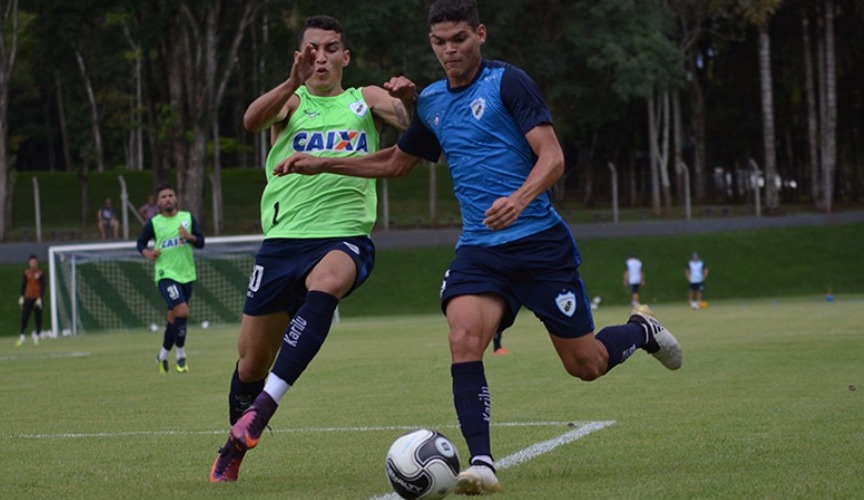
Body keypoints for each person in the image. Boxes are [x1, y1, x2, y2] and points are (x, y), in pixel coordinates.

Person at [273, 1, 683, 494]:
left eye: (460, 39)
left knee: (586, 365)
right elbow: (396, 163)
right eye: (440, 41)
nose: (450, 50)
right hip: (480, 250)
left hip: (538, 245)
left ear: (480, 35)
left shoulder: (509, 83)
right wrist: (325, 163)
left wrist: (519, 198)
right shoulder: (431, 102)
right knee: (463, 336)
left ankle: (640, 331)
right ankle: (482, 461)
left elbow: (552, 157)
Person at [208, 15, 415, 483]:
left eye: (331, 48)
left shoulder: (362, 100)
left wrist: (409, 99)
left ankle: (261, 412)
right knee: (251, 360)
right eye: (311, 49)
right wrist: (289, 81)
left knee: (329, 280)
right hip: (282, 244)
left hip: (343, 235)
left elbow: (409, 124)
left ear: (347, 57)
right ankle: (236, 439)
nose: (321, 57)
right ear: (300, 56)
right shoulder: (293, 100)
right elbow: (251, 120)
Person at [136, 184, 205, 374]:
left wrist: (189, 236)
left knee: (173, 318)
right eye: (164, 196)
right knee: (182, 311)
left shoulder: (187, 218)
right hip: (165, 274)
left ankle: (162, 356)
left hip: (187, 274)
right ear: (158, 202)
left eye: (170, 195)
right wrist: (147, 253)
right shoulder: (154, 223)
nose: (167, 199)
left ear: (176, 199)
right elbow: (140, 242)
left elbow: (201, 242)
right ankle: (181, 355)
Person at [17, 254, 45, 346]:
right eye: (31, 262)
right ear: (29, 263)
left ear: (37, 263)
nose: (33, 264)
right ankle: (22, 336)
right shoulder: (26, 273)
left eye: (34, 262)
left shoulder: (40, 273)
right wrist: (21, 296)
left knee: (38, 318)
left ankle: (37, 336)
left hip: (37, 298)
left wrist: (40, 297)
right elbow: (24, 285)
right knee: (25, 317)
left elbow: (43, 286)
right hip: (28, 298)